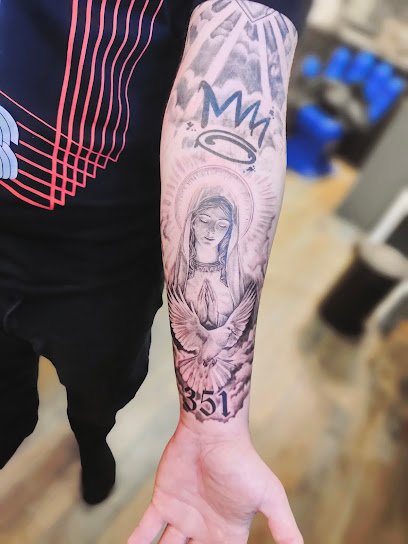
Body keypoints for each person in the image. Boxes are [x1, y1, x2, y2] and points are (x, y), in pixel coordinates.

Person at [0, 1, 311, 542]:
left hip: (104, 257)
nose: (211, 232)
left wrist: (214, 425)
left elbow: (227, 118)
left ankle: (92, 443)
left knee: (98, 393)